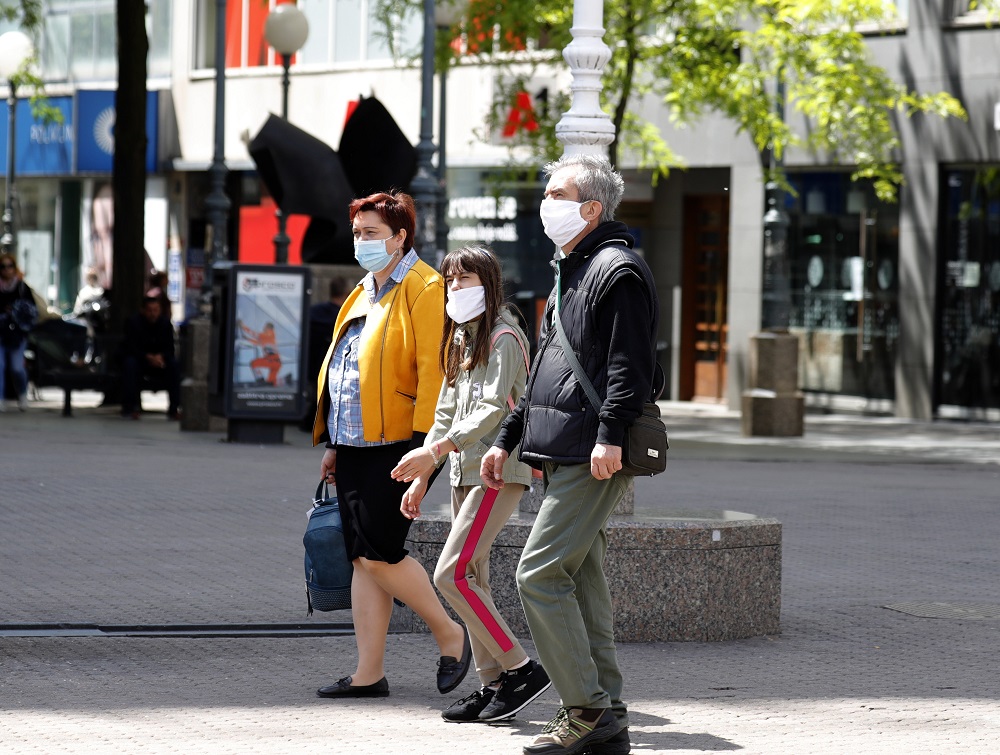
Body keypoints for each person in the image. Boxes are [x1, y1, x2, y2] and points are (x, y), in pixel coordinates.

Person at [481, 154, 659, 755]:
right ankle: (607, 715)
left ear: (590, 208)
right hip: (562, 447)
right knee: (581, 582)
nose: (545, 201)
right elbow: (545, 371)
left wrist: (610, 434)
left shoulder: (617, 269)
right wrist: (509, 437)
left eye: (556, 193)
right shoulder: (572, 268)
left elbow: (628, 366)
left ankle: (585, 709)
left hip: (592, 450)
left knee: (536, 574)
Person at [310, 191, 470, 700]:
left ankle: (450, 635)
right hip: (356, 442)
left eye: (372, 233)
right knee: (363, 556)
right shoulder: (363, 290)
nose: (362, 242)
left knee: (380, 554)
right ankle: (368, 673)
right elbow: (345, 371)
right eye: (358, 233)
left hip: (403, 443)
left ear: (401, 237)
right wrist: (334, 441)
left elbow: (434, 375)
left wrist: (426, 451)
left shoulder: (425, 287)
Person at [390, 246, 551, 724]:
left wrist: (435, 453)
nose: (455, 289)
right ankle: (494, 685)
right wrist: (424, 475)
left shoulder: (503, 336)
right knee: (472, 578)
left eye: (466, 280)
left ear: (490, 283)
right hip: (466, 469)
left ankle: (520, 668)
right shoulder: (462, 336)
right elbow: (445, 412)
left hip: (497, 470)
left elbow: (494, 411)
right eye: (451, 281)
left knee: (451, 574)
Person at [121, 295, 181, 420]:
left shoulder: (165, 323)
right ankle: (131, 407)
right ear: (143, 310)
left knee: (174, 365)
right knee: (130, 364)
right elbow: (131, 347)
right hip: (140, 360)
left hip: (160, 361)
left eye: (156, 310)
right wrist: (148, 357)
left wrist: (160, 357)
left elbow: (170, 348)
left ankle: (174, 408)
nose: (153, 314)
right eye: (150, 310)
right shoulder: (134, 323)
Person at [300, 278, 348, 431]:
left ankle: (310, 422)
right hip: (334, 364)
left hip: (311, 361)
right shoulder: (344, 316)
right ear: (346, 294)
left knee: (316, 394)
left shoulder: (314, 312)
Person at [0, 252, 37, 412]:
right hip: (0, 331)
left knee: (16, 367)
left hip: (17, 334)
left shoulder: (22, 287)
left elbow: (32, 310)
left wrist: (17, 312)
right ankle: (0, 399)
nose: (7, 270)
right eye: (3, 266)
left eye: (10, 266)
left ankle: (22, 393)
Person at [238, 320, 282, 386]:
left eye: (265, 327)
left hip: (273, 360)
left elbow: (255, 335)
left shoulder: (269, 334)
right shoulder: (268, 336)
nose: (263, 328)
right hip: (276, 361)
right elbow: (258, 342)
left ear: (268, 328)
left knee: (254, 363)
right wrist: (247, 338)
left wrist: (243, 326)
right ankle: (274, 382)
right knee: (270, 382)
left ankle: (261, 380)